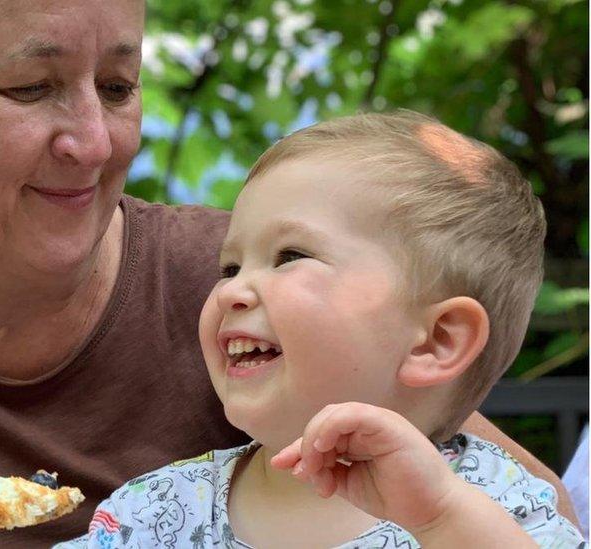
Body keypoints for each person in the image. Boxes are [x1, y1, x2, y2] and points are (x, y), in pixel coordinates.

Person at [0, 1, 575, 547]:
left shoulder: (245, 281)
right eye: (31, 88)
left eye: (117, 86)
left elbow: (516, 491)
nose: (94, 141)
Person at [54, 112, 584, 547]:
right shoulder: (151, 515)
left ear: (437, 340)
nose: (229, 292)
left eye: (290, 256)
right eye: (231, 267)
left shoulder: (500, 507)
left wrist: (442, 520)